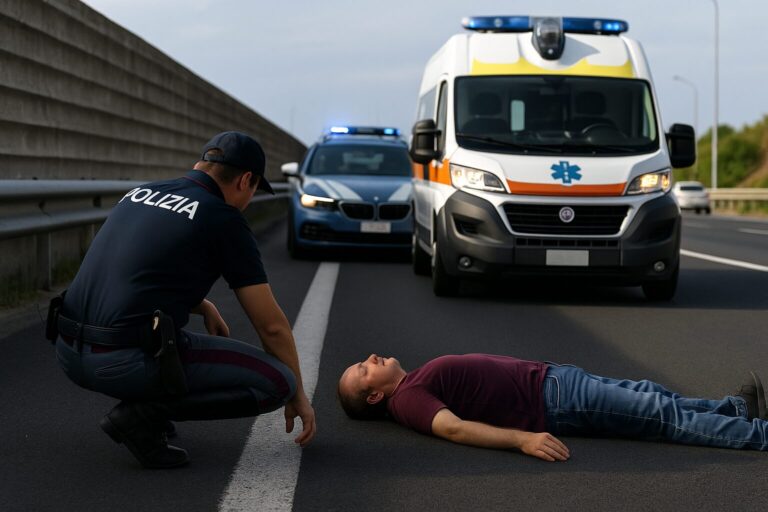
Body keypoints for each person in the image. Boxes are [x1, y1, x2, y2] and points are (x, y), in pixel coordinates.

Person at [52, 131, 316, 469]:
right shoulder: (223, 218)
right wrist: (298, 396)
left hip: (67, 350)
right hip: (120, 363)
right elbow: (271, 327)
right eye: (253, 190)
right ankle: (143, 415)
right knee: (280, 382)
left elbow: (134, 274)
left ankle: (149, 410)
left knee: (162, 334)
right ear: (245, 180)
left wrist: (202, 304)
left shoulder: (141, 193)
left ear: (200, 164)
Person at [338, 353, 768, 461]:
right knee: (660, 416)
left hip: (553, 380)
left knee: (651, 394)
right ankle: (758, 435)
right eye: (363, 369)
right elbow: (452, 428)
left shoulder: (411, 384)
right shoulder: (408, 400)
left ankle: (735, 410)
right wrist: (522, 440)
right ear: (375, 396)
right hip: (554, 400)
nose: (370, 358)